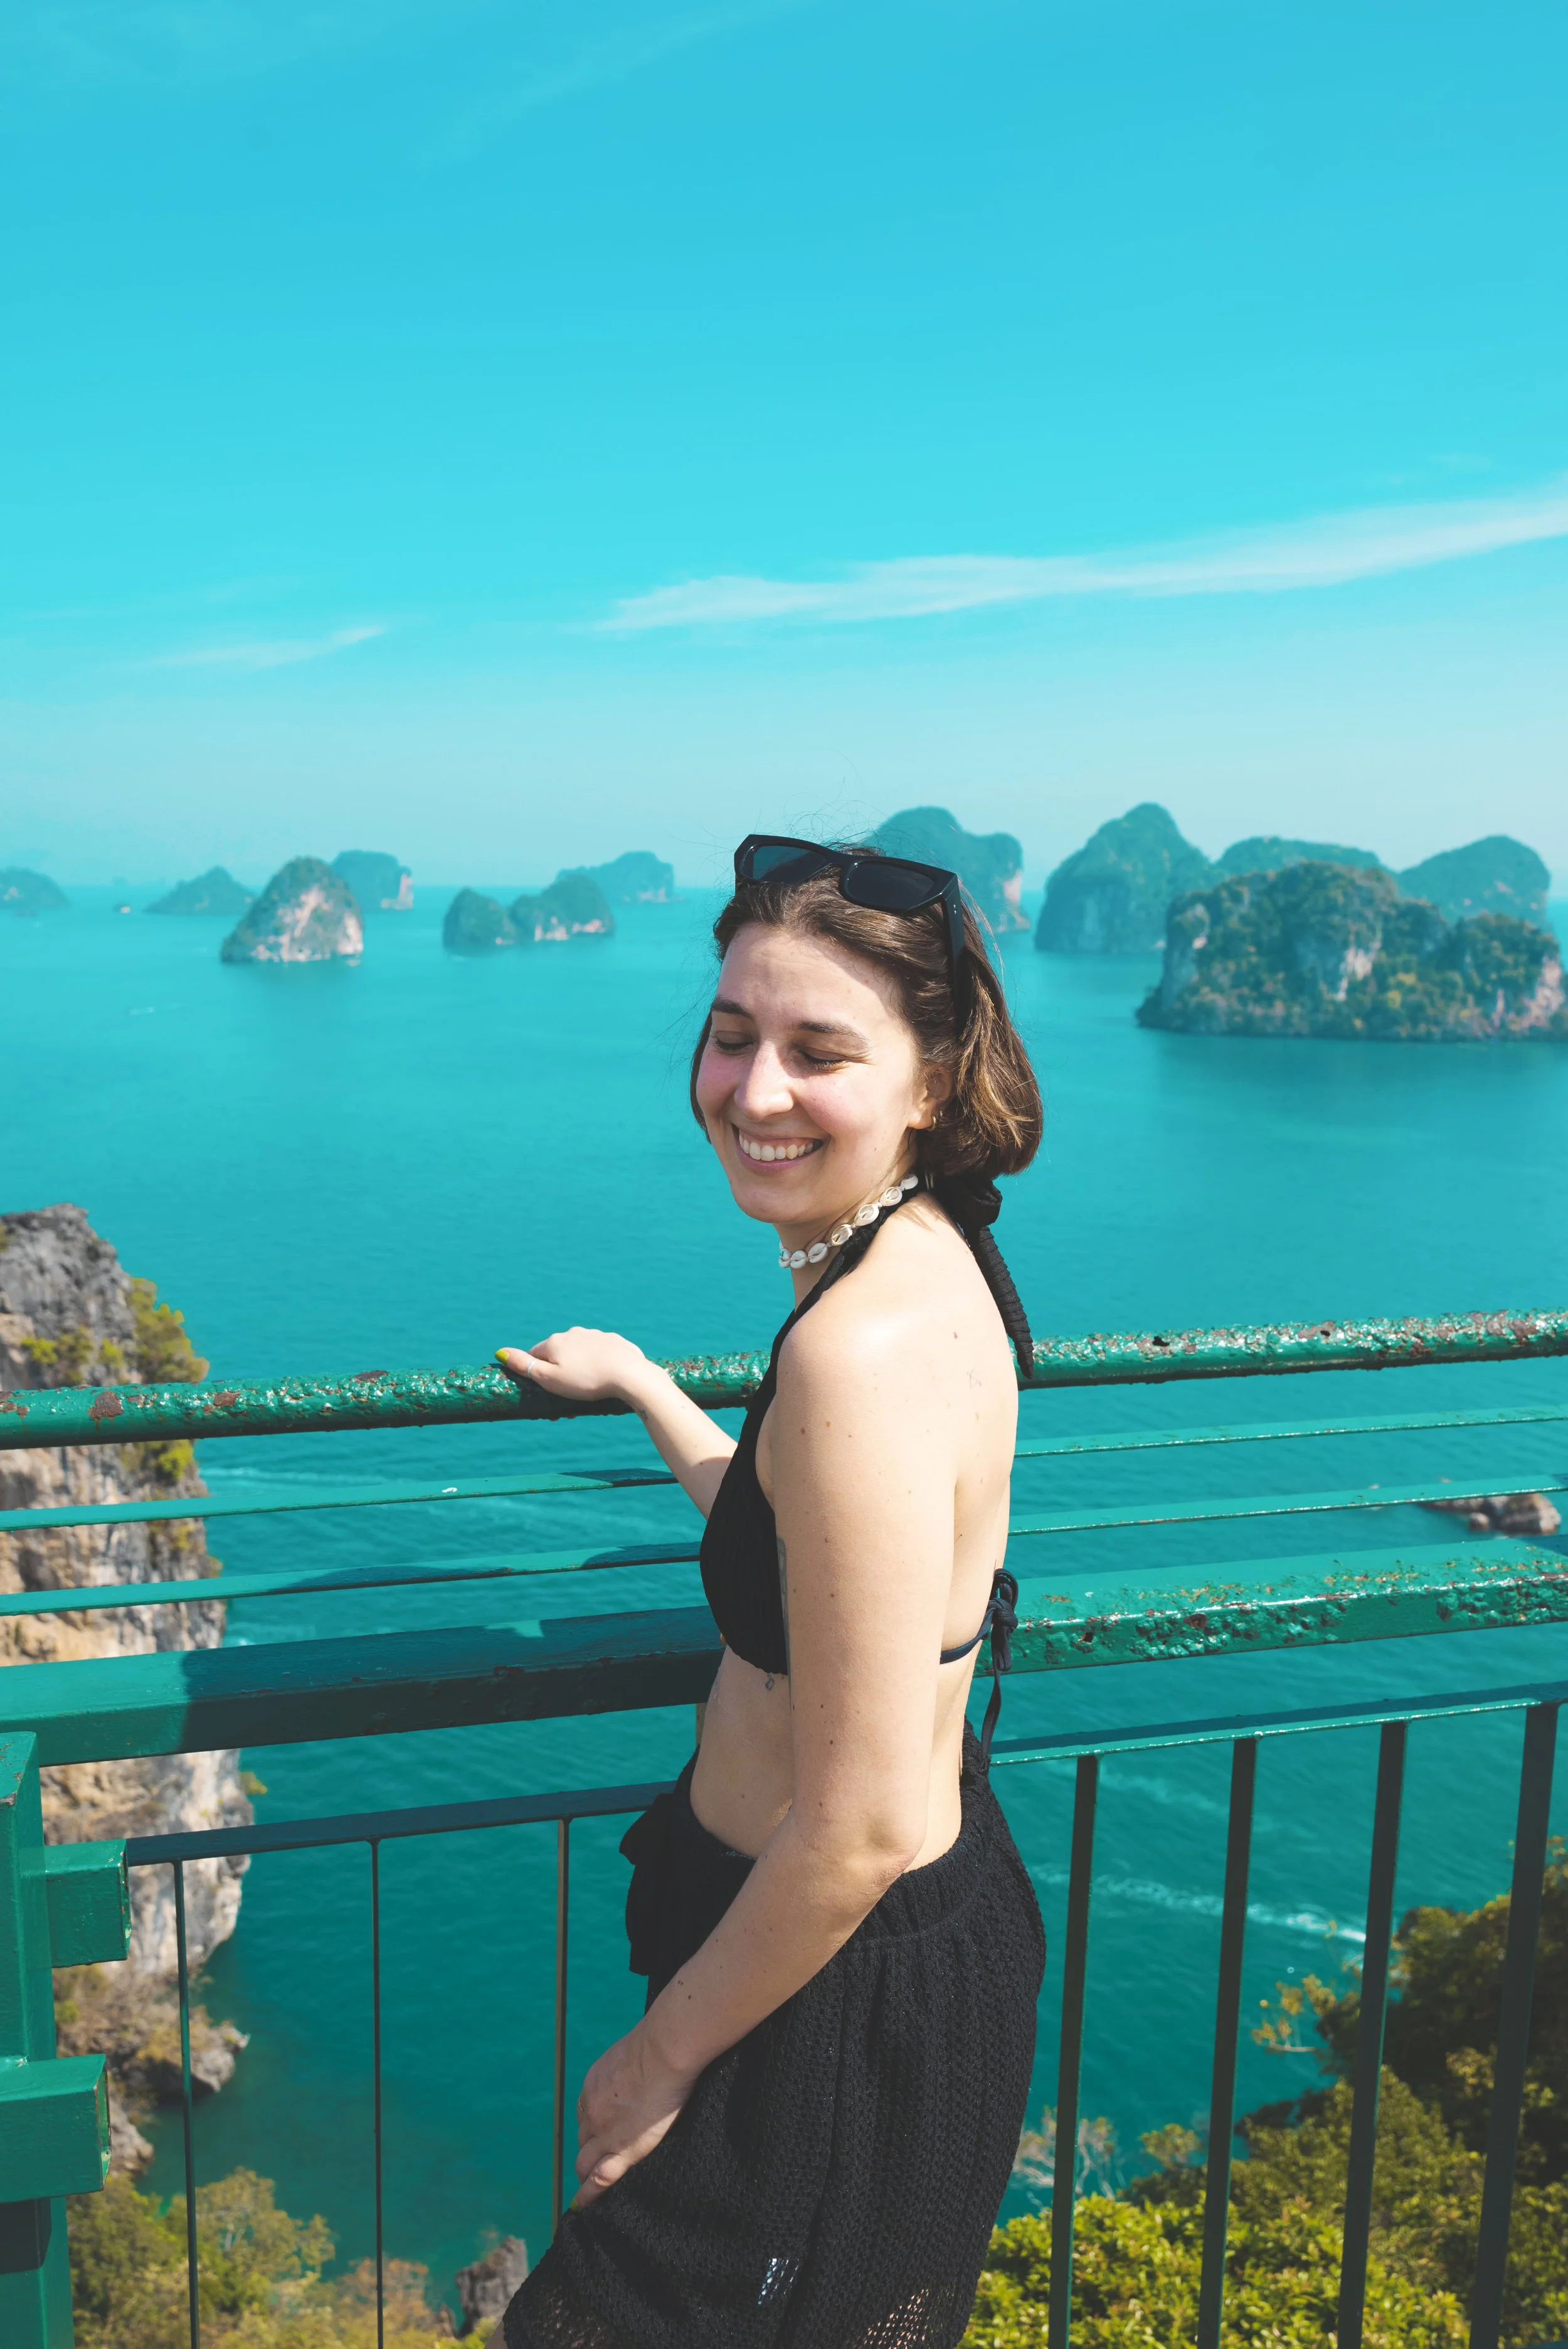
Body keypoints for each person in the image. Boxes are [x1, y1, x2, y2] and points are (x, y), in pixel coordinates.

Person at [494, 835, 1047, 2349]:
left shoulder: (853, 1348)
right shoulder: (930, 1260)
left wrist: (655, 2059)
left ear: (931, 1079)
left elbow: (856, 1822)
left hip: (813, 1996)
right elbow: (814, 1529)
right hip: (886, 1950)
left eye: (818, 1052)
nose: (752, 1091)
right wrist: (651, 1393)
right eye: (732, 1036)